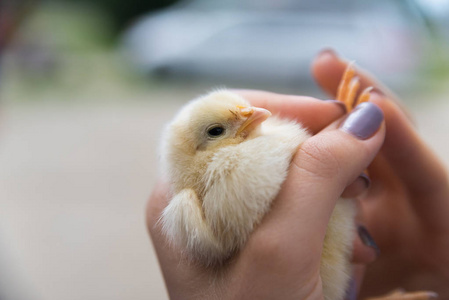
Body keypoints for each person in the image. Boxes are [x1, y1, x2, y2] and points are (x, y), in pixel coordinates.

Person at [146, 49, 449, 299]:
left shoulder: (269, 135)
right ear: (198, 150)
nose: (255, 116)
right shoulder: (190, 203)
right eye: (218, 130)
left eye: (246, 111)